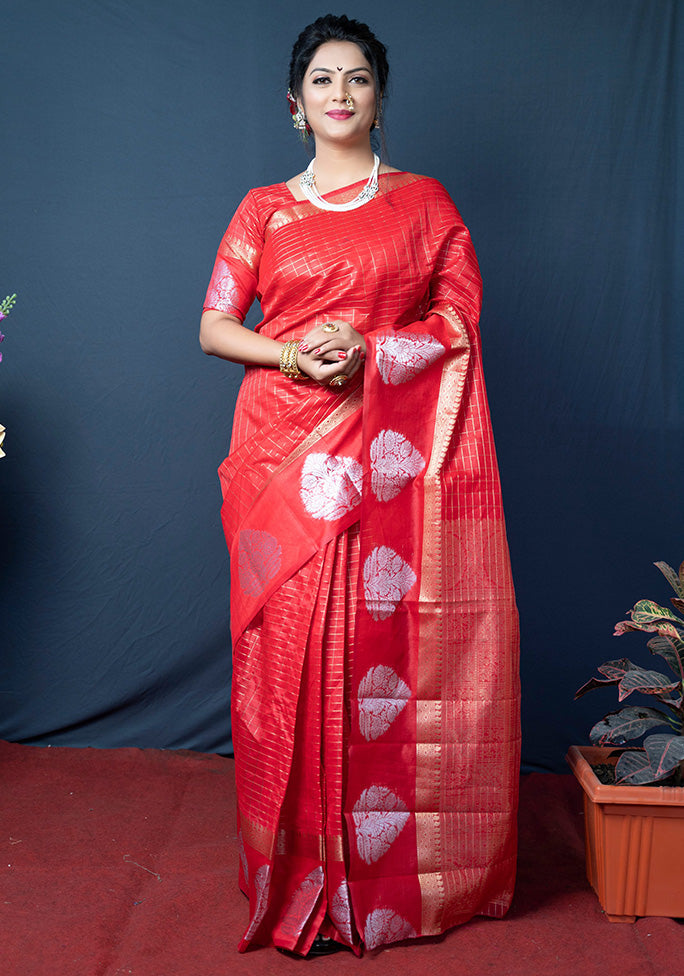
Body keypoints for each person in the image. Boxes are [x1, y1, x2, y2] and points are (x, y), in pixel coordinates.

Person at [200, 13, 520, 958]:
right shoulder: (264, 209)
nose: (341, 94)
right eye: (323, 81)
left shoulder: (425, 204)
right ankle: (299, 872)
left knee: (372, 652)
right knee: (288, 653)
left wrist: (375, 356)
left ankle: (376, 886)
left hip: (389, 454)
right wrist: (301, 354)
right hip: (282, 457)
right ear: (295, 106)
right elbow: (217, 328)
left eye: (359, 79)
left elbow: (458, 319)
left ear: (380, 97)